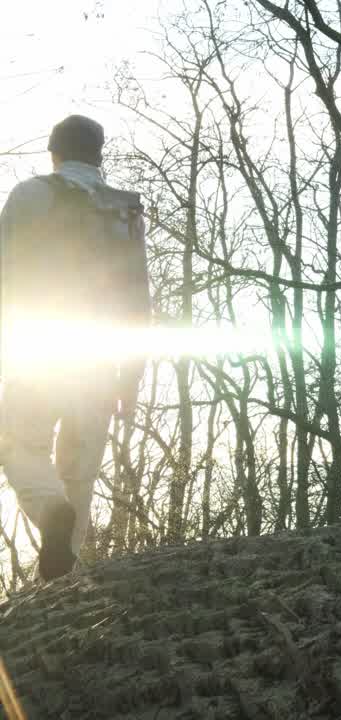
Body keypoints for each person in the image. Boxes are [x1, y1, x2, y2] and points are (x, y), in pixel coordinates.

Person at [0, 115, 150, 581]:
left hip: (39, 349)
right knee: (80, 472)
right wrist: (132, 373)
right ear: (99, 154)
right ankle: (60, 588)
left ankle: (49, 513)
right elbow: (138, 298)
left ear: (54, 152)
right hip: (101, 359)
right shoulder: (123, 211)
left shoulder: (32, 195)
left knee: (16, 442)